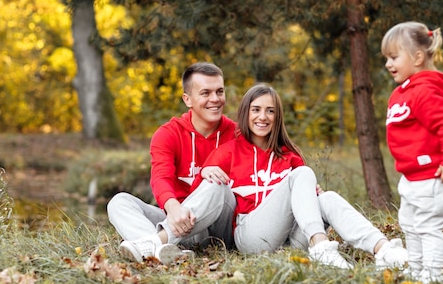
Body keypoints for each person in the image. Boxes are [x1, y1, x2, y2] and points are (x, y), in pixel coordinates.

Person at [190, 83, 408, 270]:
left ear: (278, 117)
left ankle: (383, 249)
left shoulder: (289, 156)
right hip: (252, 237)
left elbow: (307, 199)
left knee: (327, 197)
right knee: (302, 174)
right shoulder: (229, 151)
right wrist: (205, 172)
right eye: (256, 109)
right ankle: (321, 247)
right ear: (245, 113)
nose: (263, 117)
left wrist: (314, 195)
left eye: (270, 111)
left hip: (293, 239)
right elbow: (201, 200)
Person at [107, 62, 237, 264]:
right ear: (188, 99)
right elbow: (160, 178)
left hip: (218, 227)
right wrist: (174, 207)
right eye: (206, 93)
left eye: (219, 92)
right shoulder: (168, 134)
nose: (215, 99)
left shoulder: (238, 134)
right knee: (119, 202)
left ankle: (151, 245)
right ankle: (164, 251)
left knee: (216, 185)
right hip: (177, 221)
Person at [381, 21, 443, 284]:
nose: (388, 64)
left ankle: (432, 275)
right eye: (386, 59)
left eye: (394, 57)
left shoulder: (425, 91)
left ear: (417, 57)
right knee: (410, 226)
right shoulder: (402, 92)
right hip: (412, 177)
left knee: (428, 228)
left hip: (433, 177)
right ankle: (416, 270)